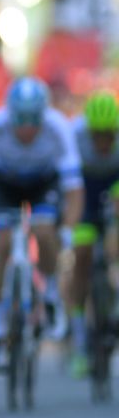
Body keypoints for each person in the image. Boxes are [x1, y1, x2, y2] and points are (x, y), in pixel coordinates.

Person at [0, 76, 83, 372]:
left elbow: (74, 189)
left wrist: (67, 229)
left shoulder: (58, 128)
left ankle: (51, 293)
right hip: (5, 183)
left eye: (33, 120)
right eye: (21, 120)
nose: (27, 128)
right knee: (2, 245)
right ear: (10, 114)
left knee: (44, 232)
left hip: (43, 182)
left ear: (43, 115)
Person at [65, 90, 119, 377]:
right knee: (82, 258)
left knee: (114, 243)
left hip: (113, 188)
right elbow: (70, 183)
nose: (102, 142)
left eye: (108, 135)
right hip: (85, 194)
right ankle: (80, 339)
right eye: (97, 135)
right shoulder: (75, 137)